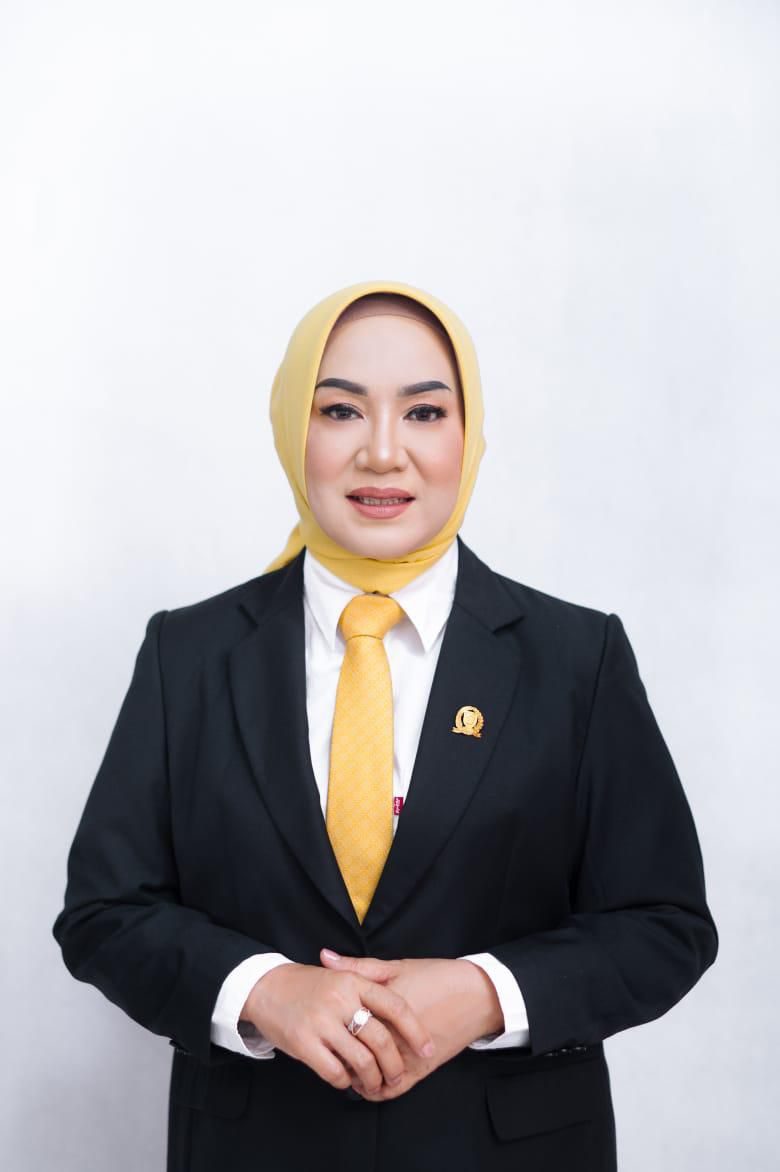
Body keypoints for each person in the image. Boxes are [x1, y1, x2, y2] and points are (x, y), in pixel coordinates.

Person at [53, 279, 718, 1172]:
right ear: (292, 428)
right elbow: (104, 912)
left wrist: (486, 993)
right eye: (339, 410)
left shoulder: (576, 658)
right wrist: (263, 990)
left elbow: (664, 924)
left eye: (424, 412)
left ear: (468, 435)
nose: (381, 452)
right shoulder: (190, 654)